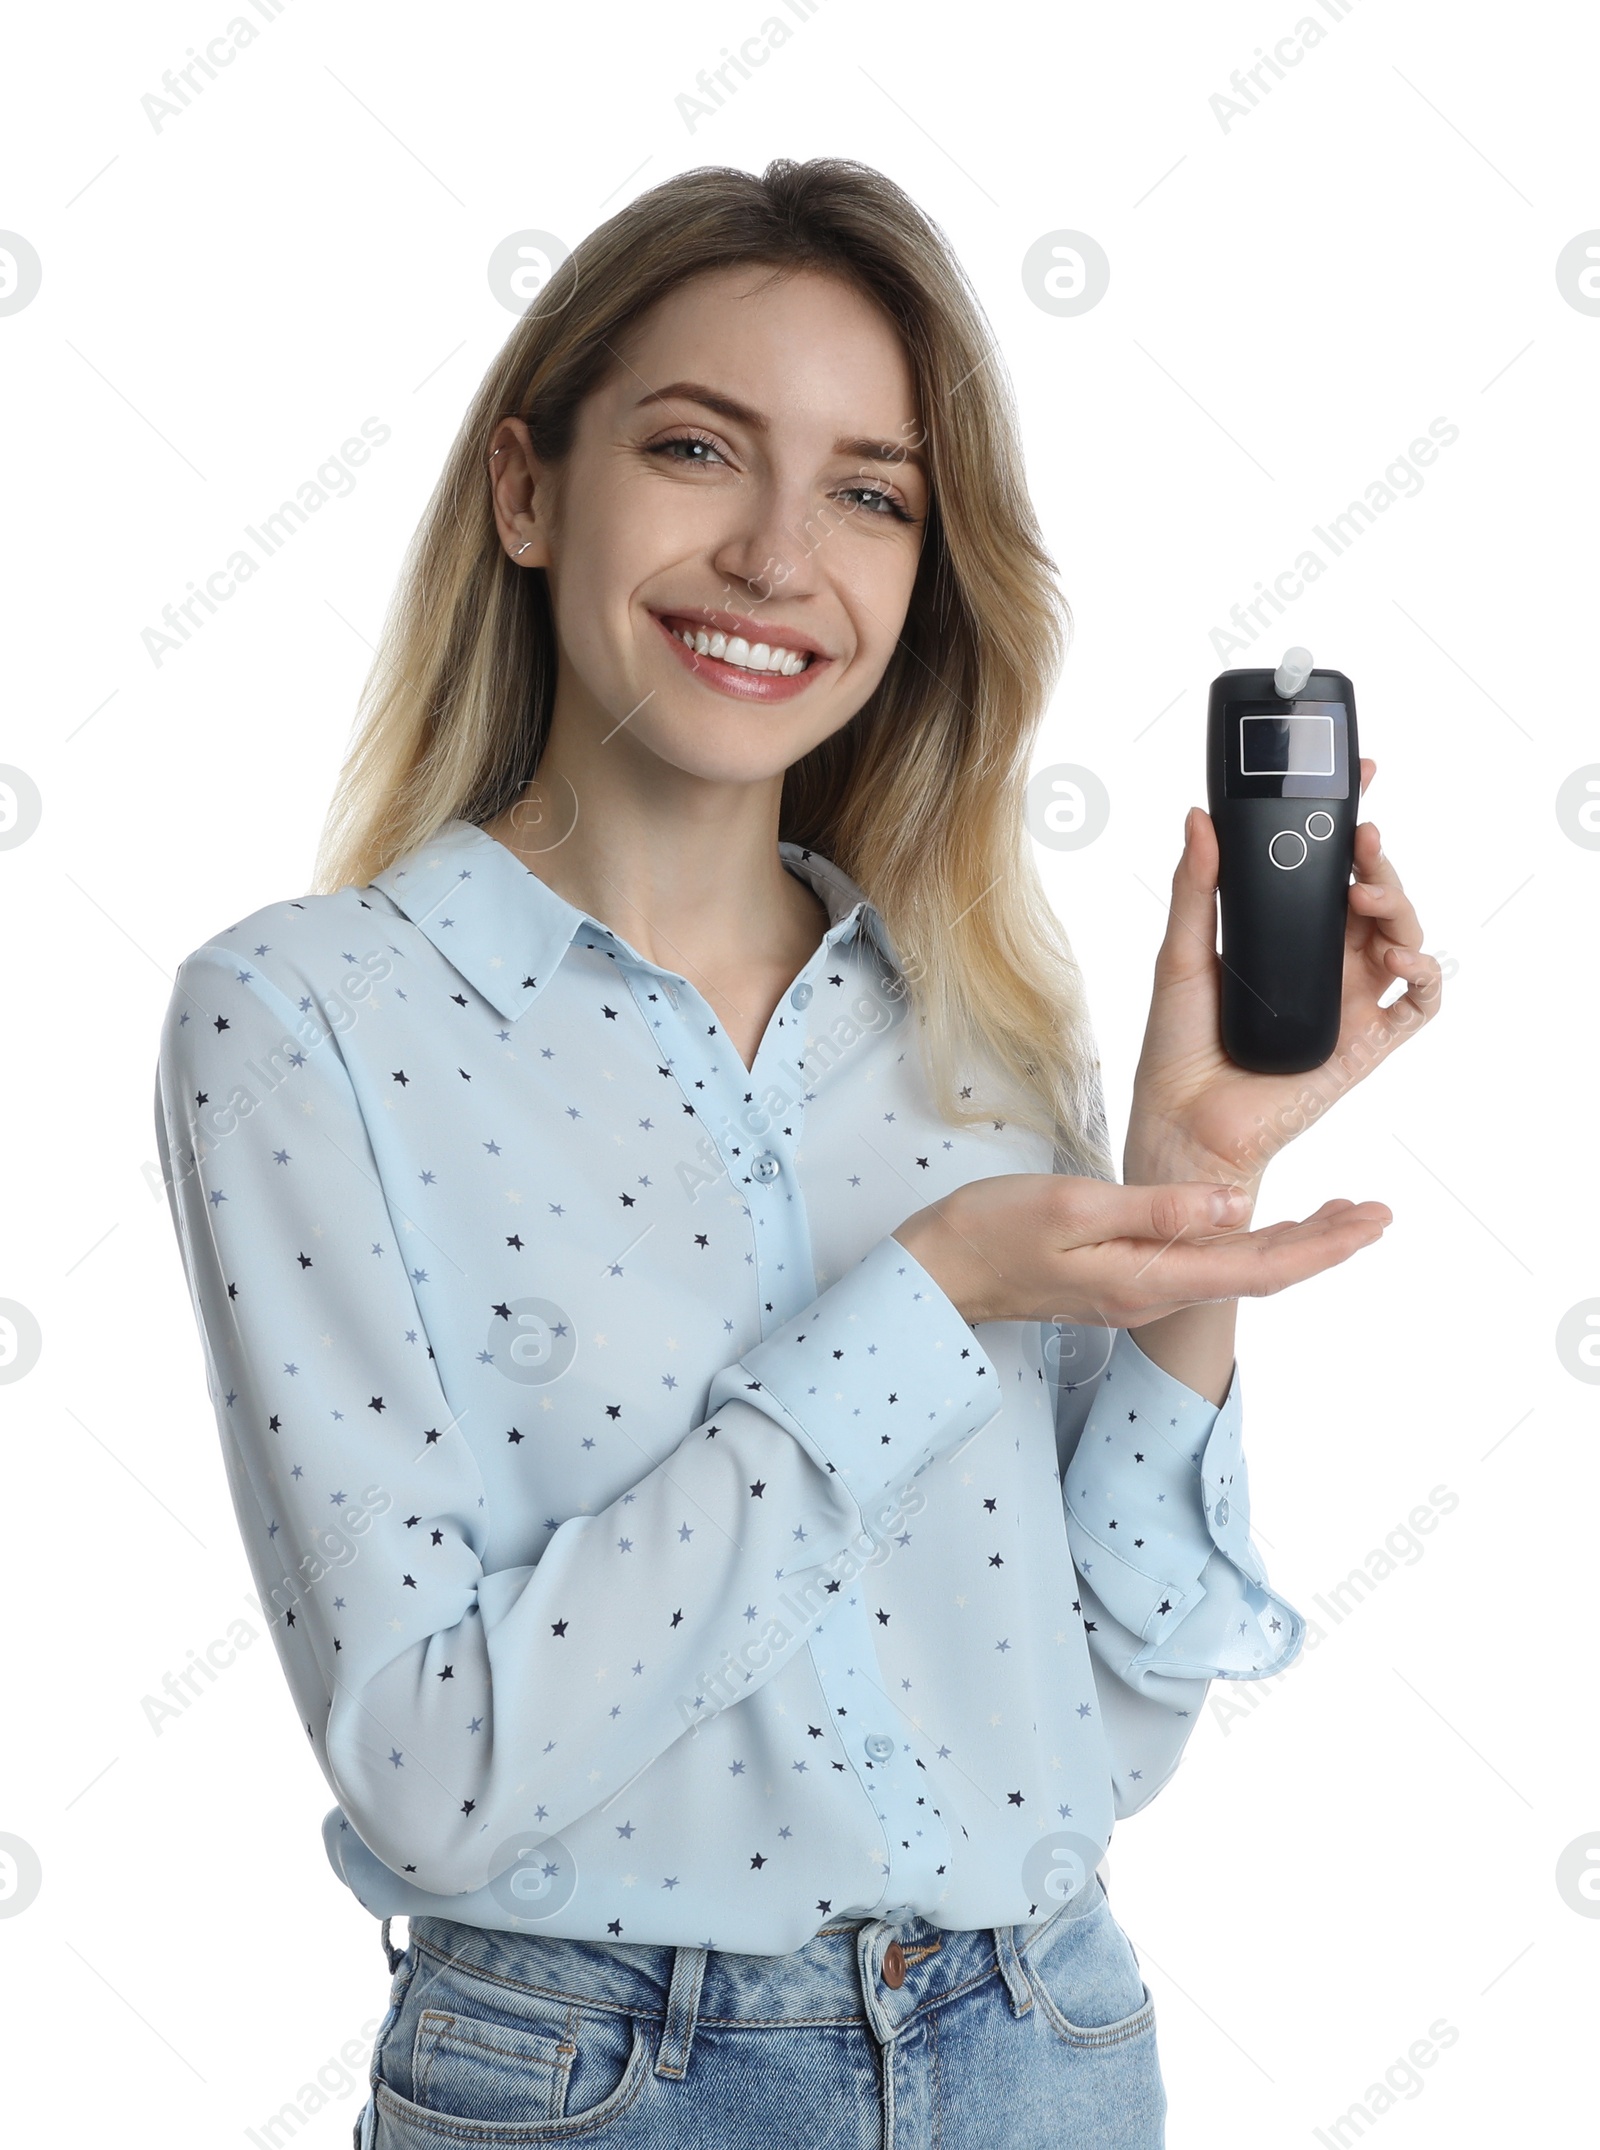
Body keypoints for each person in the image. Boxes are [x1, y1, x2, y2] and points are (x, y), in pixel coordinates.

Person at [153, 157, 1440, 2149]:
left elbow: (1098, 1728)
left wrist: (1189, 1189)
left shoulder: (970, 1022)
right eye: (694, 448)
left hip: (1041, 2047)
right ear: (524, 489)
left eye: (867, 491)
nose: (775, 555)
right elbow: (435, 1765)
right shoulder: (309, 1021)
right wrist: (919, 1304)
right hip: (597, 2086)